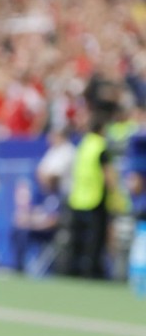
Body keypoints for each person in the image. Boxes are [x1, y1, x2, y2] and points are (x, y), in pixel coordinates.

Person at [66, 115, 119, 279]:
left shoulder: (84, 144)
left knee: (78, 239)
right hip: (95, 199)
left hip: (78, 198)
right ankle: (92, 271)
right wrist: (116, 195)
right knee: (96, 239)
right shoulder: (100, 146)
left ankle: (74, 270)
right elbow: (107, 174)